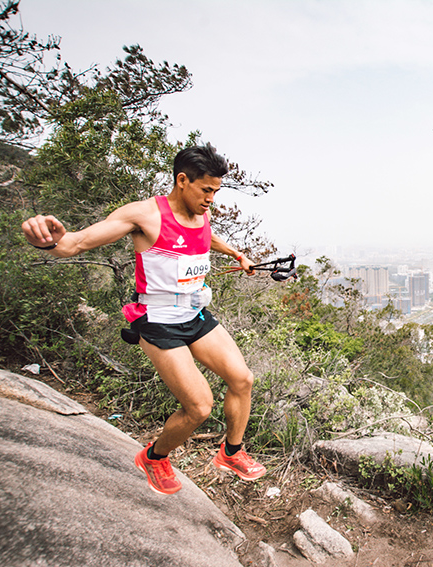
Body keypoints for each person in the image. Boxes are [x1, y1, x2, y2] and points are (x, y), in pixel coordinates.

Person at [22, 143, 267, 495]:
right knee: (199, 407)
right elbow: (75, 244)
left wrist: (236, 253)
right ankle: (155, 457)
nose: (212, 198)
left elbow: (203, 235)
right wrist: (48, 241)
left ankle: (231, 452)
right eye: (206, 189)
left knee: (242, 379)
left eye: (216, 190)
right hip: (157, 321)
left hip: (195, 314)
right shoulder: (144, 215)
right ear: (182, 180)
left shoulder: (201, 211)